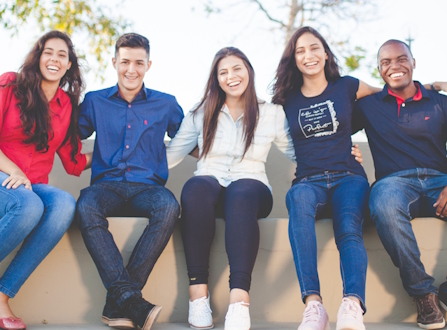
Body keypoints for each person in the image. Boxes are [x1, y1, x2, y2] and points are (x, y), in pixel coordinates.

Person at [166, 47, 297, 330]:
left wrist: (341, 154)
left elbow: (298, 152)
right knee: (195, 188)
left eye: (237, 68)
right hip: (210, 182)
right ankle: (198, 295)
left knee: (241, 193)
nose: (231, 76)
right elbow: (171, 155)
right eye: (223, 72)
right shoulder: (201, 113)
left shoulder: (272, 113)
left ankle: (239, 301)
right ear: (216, 79)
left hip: (252, 186)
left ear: (248, 70)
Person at [271, 26, 382, 330]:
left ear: (325, 52)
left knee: (348, 226)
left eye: (314, 47)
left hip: (349, 176)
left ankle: (352, 305)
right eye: (301, 51)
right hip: (309, 180)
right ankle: (314, 306)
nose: (309, 55)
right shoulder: (286, 99)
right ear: (293, 59)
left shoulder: (347, 86)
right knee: (297, 201)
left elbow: (392, 94)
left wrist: (431, 85)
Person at [76, 33, 184, 330]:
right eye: (125, 62)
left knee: (169, 206)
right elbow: (68, 135)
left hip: (148, 188)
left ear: (149, 64)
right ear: (114, 62)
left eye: (139, 62)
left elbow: (193, 137)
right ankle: (131, 300)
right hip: (106, 186)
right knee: (86, 205)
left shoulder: (166, 104)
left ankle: (121, 300)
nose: (131, 69)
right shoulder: (95, 101)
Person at [0, 30, 91, 330]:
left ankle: (2, 294)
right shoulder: (10, 84)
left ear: (68, 65)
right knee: (29, 207)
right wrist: (12, 169)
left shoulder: (66, 106)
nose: (54, 59)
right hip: (4, 174)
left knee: (64, 204)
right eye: (48, 52)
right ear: (38, 57)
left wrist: (117, 154)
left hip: (32, 184)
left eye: (62, 55)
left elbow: (74, 161)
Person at [353, 39, 447, 330]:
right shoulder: (368, 106)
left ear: (414, 62)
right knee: (382, 202)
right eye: (385, 62)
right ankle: (423, 295)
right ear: (379, 70)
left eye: (401, 59)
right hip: (394, 184)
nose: (394, 66)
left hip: (440, 181)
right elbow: (330, 114)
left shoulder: (439, 101)